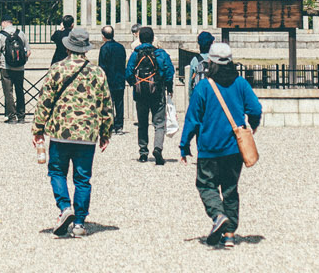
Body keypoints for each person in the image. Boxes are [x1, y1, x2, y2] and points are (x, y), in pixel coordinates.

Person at [31, 26, 113, 238]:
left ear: (68, 47)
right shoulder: (97, 72)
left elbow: (45, 101)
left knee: (57, 171)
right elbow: (106, 105)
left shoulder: (57, 69)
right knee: (83, 178)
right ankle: (79, 223)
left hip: (61, 130)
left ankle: (65, 206)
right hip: (87, 132)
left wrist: (38, 128)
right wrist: (106, 132)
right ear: (85, 49)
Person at [178, 42, 263, 248]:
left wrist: (184, 145)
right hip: (234, 147)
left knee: (206, 185)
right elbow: (255, 108)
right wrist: (252, 126)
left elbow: (193, 119)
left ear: (210, 62)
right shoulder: (241, 84)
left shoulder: (204, 87)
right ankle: (230, 234)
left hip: (209, 146)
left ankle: (218, 215)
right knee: (230, 189)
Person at [127, 25, 175, 165]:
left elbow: (128, 73)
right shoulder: (161, 54)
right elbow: (169, 72)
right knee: (159, 123)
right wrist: (169, 87)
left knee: (142, 123)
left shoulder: (135, 54)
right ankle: (158, 148)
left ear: (140, 39)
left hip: (141, 94)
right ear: (153, 38)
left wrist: (136, 84)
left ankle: (143, 152)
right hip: (157, 92)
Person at [0, 19, 28, 122]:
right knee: (20, 91)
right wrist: (23, 61)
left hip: (6, 67)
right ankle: (21, 116)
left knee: (8, 92)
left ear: (4, 22)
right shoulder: (21, 33)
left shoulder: (0, 35)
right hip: (19, 67)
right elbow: (29, 51)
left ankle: (11, 116)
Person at [97, 25, 127, 133]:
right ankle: (119, 125)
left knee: (108, 104)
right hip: (119, 78)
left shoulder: (104, 48)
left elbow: (102, 66)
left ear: (103, 36)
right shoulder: (120, 47)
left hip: (109, 80)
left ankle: (109, 124)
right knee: (119, 103)